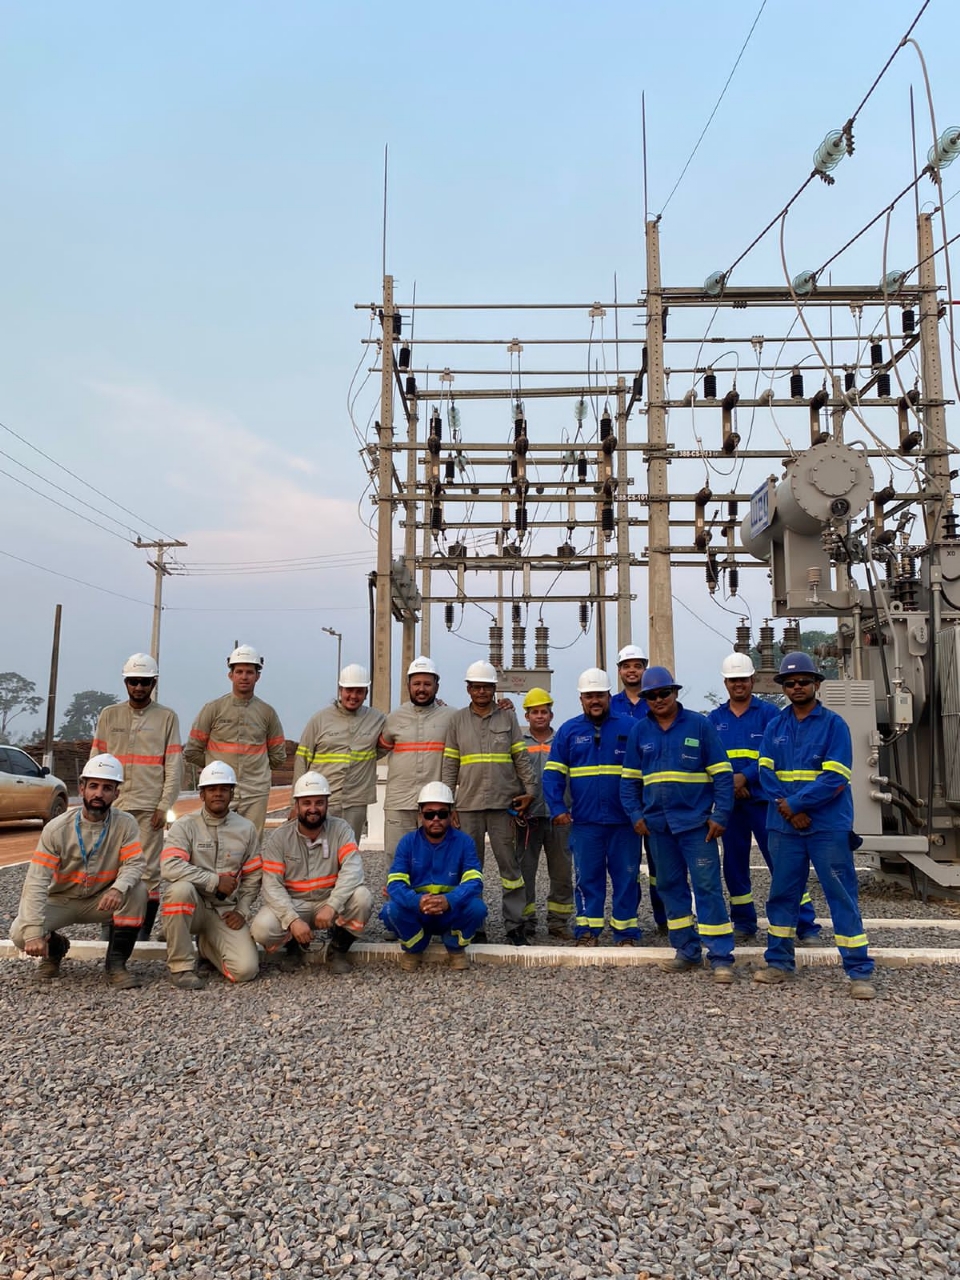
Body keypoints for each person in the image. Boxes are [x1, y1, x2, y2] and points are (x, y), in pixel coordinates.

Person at [755, 652, 876, 999]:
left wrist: (796, 804)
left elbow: (836, 777)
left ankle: (859, 971)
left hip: (826, 826)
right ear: (783, 687)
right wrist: (789, 810)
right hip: (785, 827)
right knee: (782, 895)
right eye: (790, 683)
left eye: (803, 682)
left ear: (816, 684)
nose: (796, 687)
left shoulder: (834, 724)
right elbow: (765, 772)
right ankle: (779, 962)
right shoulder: (775, 726)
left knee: (841, 894)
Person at [620, 666, 736, 983]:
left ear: (675, 692)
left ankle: (721, 957)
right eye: (651, 695)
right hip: (658, 827)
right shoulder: (639, 732)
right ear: (644, 698)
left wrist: (720, 815)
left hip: (697, 825)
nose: (658, 699)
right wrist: (636, 816)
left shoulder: (700, 726)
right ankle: (686, 950)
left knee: (707, 887)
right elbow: (629, 782)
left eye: (664, 693)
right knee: (670, 887)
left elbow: (723, 776)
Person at [707, 652, 821, 943]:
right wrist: (732, 783)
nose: (738, 685)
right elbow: (711, 758)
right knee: (733, 864)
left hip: (763, 801)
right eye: (733, 680)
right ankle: (743, 922)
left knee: (782, 862)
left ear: (753, 680)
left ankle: (805, 924)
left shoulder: (770, 715)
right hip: (730, 803)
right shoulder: (714, 719)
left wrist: (745, 777)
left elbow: (771, 755)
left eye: (743, 679)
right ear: (725, 683)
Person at [11, 754, 146, 989]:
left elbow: (134, 864)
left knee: (138, 891)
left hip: (101, 900)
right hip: (61, 900)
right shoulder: (57, 829)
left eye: (107, 788)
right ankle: (56, 949)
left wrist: (118, 888)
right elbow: (36, 881)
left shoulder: (125, 824)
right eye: (93, 786)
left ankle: (116, 964)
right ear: (82, 789)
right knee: (20, 935)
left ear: (116, 794)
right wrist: (34, 932)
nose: (98, 794)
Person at [441, 660, 536, 945]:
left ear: (494, 689)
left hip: (502, 805)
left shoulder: (507, 718)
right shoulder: (457, 721)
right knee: (470, 868)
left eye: (486, 686)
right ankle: (473, 923)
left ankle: (515, 925)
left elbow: (521, 757)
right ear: (468, 689)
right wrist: (448, 804)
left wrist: (530, 790)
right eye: (476, 686)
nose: (481, 691)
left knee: (510, 868)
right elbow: (449, 765)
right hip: (467, 806)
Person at [542, 668, 639, 946]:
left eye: (599, 695)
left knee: (627, 878)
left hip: (624, 822)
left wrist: (640, 812)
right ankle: (587, 930)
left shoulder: (629, 727)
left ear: (609, 696)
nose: (594, 701)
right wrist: (557, 807)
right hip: (585, 822)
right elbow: (553, 773)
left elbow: (644, 773)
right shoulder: (569, 731)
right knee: (587, 879)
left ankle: (626, 933)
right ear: (581, 699)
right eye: (588, 696)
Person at [91, 652, 182, 940]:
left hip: (148, 807)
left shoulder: (167, 718)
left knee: (147, 872)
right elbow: (97, 758)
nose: (139, 688)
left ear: (154, 683)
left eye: (144, 682)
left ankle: (138, 934)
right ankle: (111, 929)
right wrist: (96, 799)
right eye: (133, 682)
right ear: (125, 682)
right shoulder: (109, 715)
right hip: (113, 807)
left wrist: (164, 805)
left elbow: (173, 765)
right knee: (110, 866)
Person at [251, 771, 373, 975]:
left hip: (329, 901)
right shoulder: (280, 838)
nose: (313, 809)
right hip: (295, 903)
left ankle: (338, 949)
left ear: (327, 804)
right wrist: (292, 920)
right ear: (296, 805)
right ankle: (294, 946)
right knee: (261, 929)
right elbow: (271, 885)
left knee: (363, 898)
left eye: (319, 802)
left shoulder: (341, 830)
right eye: (306, 803)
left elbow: (353, 871)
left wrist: (332, 905)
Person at [160, 761, 262, 989]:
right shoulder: (185, 826)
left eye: (224, 789)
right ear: (202, 793)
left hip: (224, 910)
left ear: (232, 793)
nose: (218, 793)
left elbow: (254, 876)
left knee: (245, 971)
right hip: (193, 905)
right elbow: (169, 866)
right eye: (212, 789)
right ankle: (181, 967)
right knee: (179, 890)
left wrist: (242, 910)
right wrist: (214, 881)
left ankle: (207, 947)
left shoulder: (246, 829)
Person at [381, 782, 487, 972]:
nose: (436, 819)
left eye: (442, 813)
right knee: (390, 910)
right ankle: (415, 946)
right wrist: (416, 902)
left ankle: (454, 946)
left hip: (450, 911)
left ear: (451, 814)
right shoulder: (407, 842)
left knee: (477, 909)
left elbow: (475, 881)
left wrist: (450, 900)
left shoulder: (464, 842)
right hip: (418, 911)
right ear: (420, 815)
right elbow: (395, 883)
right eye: (429, 814)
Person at [183, 645, 286, 836]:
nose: (244, 677)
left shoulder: (267, 713)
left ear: (258, 676)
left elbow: (277, 756)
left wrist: (256, 771)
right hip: (220, 790)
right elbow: (192, 750)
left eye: (249, 672)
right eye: (239, 671)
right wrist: (213, 768)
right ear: (230, 675)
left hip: (255, 792)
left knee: (252, 843)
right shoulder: (213, 709)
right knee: (215, 841)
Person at [610, 644, 668, 934]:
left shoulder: (657, 700)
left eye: (637, 665)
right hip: (624, 799)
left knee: (662, 864)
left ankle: (665, 919)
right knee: (627, 867)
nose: (632, 670)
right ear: (619, 671)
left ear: (645, 668)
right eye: (626, 666)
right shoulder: (609, 705)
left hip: (657, 794)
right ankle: (627, 922)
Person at [292, 663, 386, 840]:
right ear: (340, 690)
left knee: (349, 850)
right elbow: (301, 759)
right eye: (349, 690)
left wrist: (436, 706)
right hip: (322, 799)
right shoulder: (320, 720)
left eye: (359, 691)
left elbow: (387, 743)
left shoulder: (377, 719)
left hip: (356, 801)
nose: (353, 696)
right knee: (318, 849)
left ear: (366, 693)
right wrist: (295, 802)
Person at [379, 656, 454, 857]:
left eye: (427, 684)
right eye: (417, 684)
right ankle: (395, 890)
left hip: (436, 805)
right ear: (408, 685)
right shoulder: (393, 719)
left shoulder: (451, 718)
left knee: (435, 856)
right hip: (399, 803)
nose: (422, 689)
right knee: (396, 856)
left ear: (437, 686)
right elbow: (374, 751)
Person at [515, 688, 573, 938]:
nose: (540, 716)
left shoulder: (562, 741)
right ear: (526, 716)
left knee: (561, 871)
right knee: (524, 871)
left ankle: (558, 921)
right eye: (534, 712)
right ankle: (526, 919)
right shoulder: (518, 743)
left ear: (551, 714)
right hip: (528, 819)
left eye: (544, 712)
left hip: (559, 817)